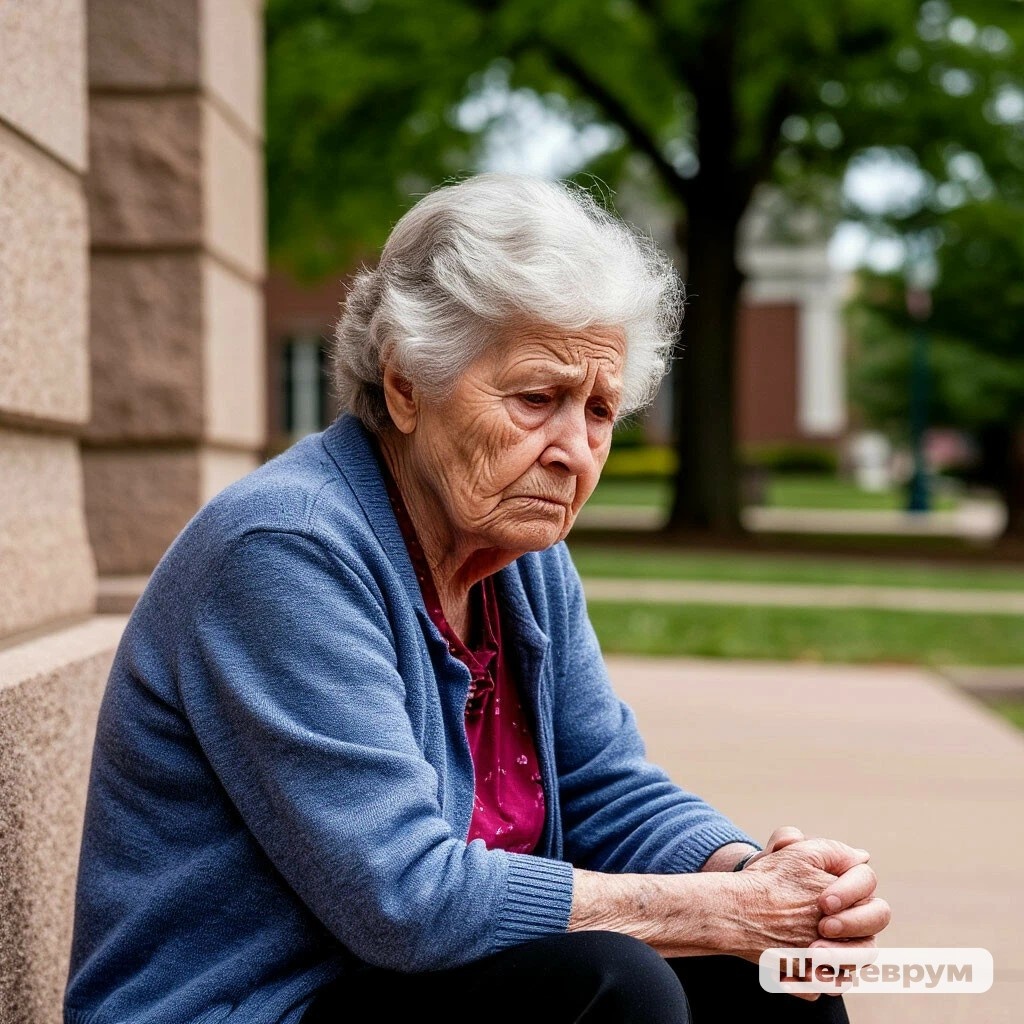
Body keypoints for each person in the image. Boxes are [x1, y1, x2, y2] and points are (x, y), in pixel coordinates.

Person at [65, 174, 889, 1024]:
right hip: (256, 1005)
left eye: (600, 410)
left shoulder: (519, 553)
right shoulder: (284, 550)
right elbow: (405, 897)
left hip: (403, 986)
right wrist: (723, 916)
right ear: (406, 386)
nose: (573, 450)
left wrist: (757, 878)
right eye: (537, 399)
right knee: (611, 987)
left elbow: (604, 786)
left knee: (778, 981)